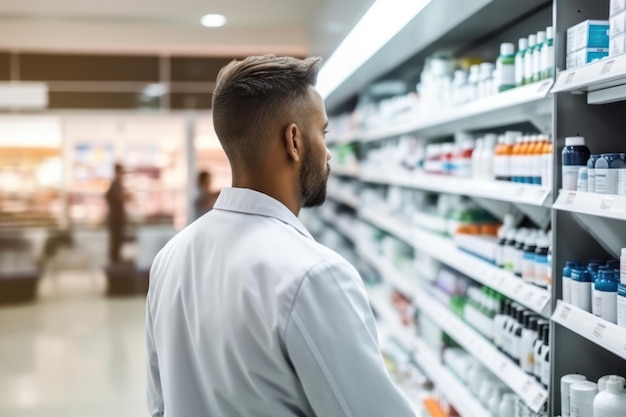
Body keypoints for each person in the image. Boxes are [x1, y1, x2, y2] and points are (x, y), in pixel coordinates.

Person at [146, 55, 416, 417]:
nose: (328, 153)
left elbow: (159, 405)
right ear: (294, 141)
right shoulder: (313, 274)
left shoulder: (170, 257)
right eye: (322, 133)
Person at [105, 163, 127, 264]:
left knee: (117, 240)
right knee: (116, 240)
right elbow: (119, 199)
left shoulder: (117, 184)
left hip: (116, 218)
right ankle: (115, 261)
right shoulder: (115, 185)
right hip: (116, 218)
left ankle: (115, 260)